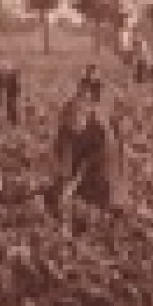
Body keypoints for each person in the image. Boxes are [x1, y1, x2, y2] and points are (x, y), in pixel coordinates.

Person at [48, 84, 124, 215]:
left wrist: (70, 188)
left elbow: (87, 165)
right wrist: (63, 182)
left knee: (102, 199)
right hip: (78, 174)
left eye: (77, 121)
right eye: (69, 121)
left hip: (102, 176)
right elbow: (63, 157)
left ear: (86, 117)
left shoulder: (101, 133)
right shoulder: (65, 131)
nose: (72, 126)